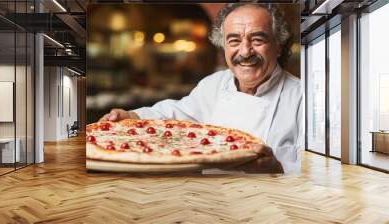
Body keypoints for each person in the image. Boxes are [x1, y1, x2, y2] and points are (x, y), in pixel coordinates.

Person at [100, 3, 303, 174]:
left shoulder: (303, 98)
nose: (245, 51)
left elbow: (323, 173)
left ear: (279, 45)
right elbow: (176, 115)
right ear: (223, 47)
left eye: (258, 40)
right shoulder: (214, 84)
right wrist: (132, 116)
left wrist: (276, 167)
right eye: (234, 41)